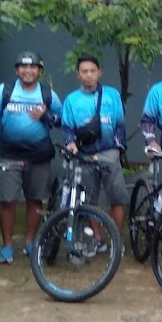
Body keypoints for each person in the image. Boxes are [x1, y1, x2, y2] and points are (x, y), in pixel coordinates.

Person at [0, 52, 63, 263]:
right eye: (23, 67)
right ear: (17, 70)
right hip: (10, 155)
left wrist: (46, 115)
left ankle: (30, 242)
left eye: (33, 67)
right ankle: (7, 246)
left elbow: (62, 121)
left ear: (40, 71)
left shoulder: (48, 94)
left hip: (39, 156)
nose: (28, 71)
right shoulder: (5, 91)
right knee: (7, 201)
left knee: (35, 199)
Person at [60, 56, 129, 232]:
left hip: (109, 153)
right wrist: (70, 143)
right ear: (78, 74)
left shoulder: (112, 95)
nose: (89, 75)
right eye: (84, 71)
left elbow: (120, 124)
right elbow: (67, 127)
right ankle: (97, 239)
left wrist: (118, 149)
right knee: (90, 200)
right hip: (84, 155)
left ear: (99, 73)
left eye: (92, 71)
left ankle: (116, 238)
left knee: (117, 198)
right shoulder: (71, 100)